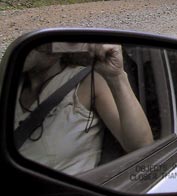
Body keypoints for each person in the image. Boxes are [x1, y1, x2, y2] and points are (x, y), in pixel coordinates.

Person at [14, 42, 153, 175]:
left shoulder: (88, 83)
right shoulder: (10, 83)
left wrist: (116, 77)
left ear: (57, 50)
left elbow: (141, 147)